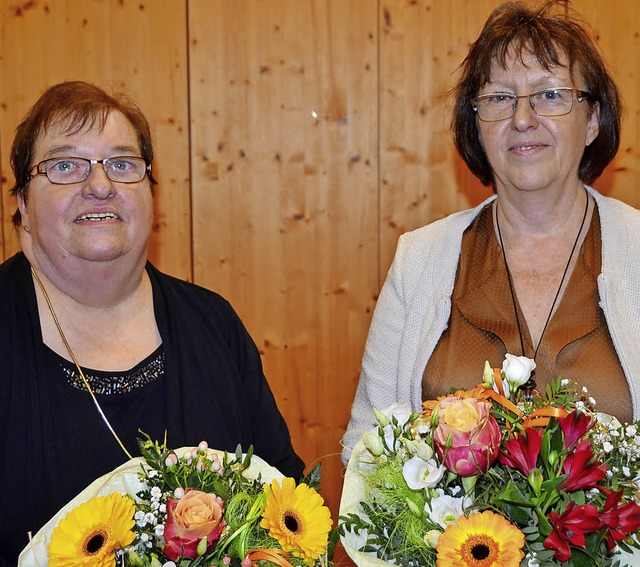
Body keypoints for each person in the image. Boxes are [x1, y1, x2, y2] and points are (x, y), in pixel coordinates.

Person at [0, 81, 304, 565]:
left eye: (122, 164)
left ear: (149, 194)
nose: (99, 185)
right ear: (22, 204)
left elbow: (288, 506)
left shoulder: (214, 325)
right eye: (65, 166)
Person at [343, 0, 640, 463]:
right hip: (451, 539)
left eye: (550, 94)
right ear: (475, 126)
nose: (522, 119)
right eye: (500, 98)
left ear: (593, 121)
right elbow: (365, 451)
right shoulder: (419, 259)